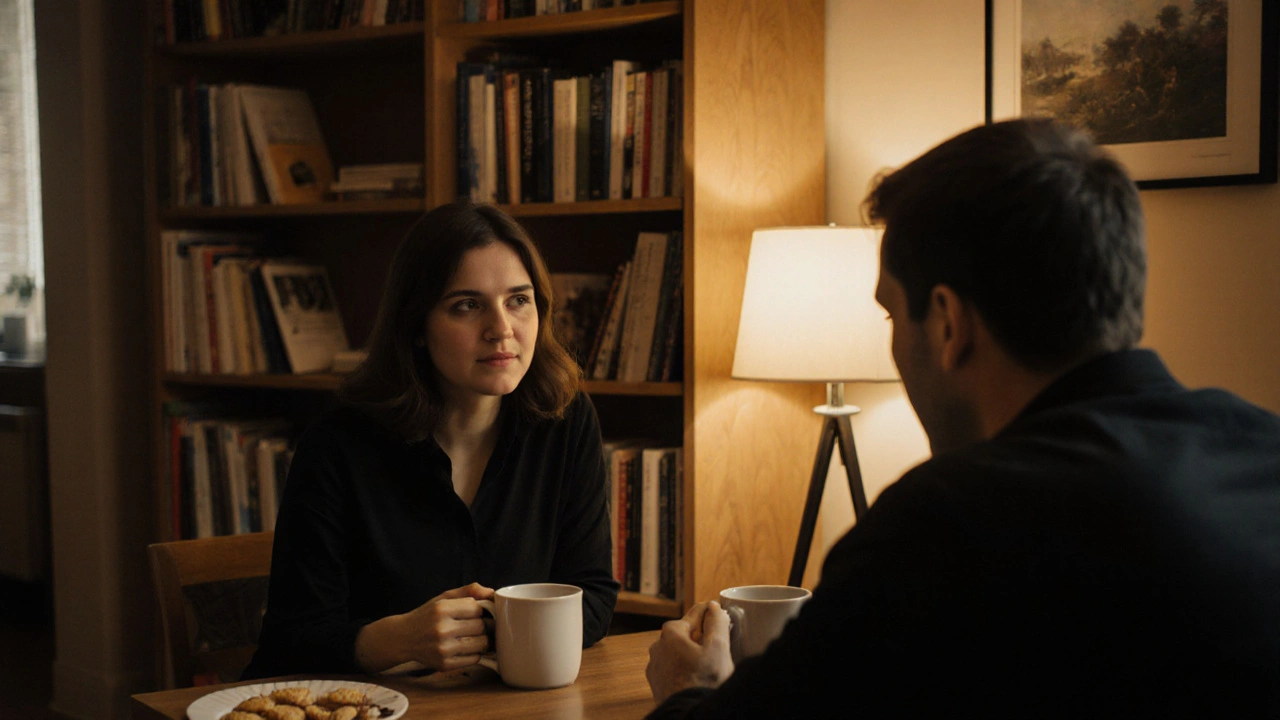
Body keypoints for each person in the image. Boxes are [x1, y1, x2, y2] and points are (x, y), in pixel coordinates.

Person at [644, 119, 1280, 717]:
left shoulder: (951, 520)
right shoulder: (1263, 450)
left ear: (948, 323)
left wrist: (688, 687)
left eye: (891, 315)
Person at [243, 200, 619, 679]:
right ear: (416, 325)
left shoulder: (566, 420)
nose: (501, 329)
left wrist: (485, 633)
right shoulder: (337, 445)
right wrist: (394, 640)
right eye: (467, 305)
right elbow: (289, 644)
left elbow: (594, 598)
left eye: (518, 300)